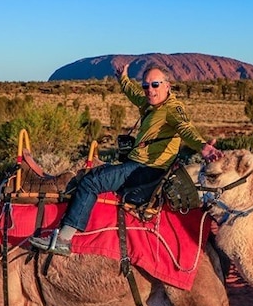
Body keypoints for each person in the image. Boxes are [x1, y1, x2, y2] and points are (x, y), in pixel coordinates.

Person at [29, 63, 222, 256]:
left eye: (155, 84)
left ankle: (64, 239)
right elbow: (133, 94)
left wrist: (203, 147)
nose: (150, 90)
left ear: (167, 85)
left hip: (146, 169)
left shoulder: (173, 108)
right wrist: (124, 79)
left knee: (91, 181)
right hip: (136, 164)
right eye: (146, 86)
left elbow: (185, 128)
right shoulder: (149, 104)